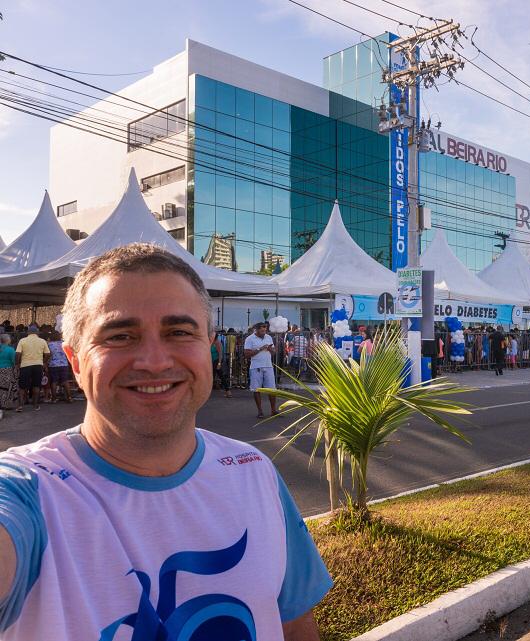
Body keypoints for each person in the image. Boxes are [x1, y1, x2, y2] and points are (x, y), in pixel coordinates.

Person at [0, 244, 330, 640]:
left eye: (178, 332)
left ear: (208, 347)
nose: (154, 361)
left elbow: (293, 627)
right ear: (74, 360)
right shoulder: (30, 491)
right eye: (120, 335)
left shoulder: (253, 471)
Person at [244, 322, 278, 418]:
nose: (264, 332)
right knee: (256, 389)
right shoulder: (249, 339)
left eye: (265, 330)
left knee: (272, 389)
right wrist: (260, 348)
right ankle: (260, 411)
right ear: (257, 330)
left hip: (268, 366)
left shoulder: (268, 337)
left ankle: (273, 410)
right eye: (262, 330)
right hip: (256, 367)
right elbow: (246, 354)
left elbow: (274, 353)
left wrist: (271, 349)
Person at [14, 324, 50, 412]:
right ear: (37, 333)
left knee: (22, 387)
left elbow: (18, 354)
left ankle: (20, 406)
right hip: (38, 365)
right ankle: (35, 405)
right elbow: (48, 354)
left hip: (25, 365)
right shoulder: (42, 341)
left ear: (28, 332)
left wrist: (17, 364)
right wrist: (44, 362)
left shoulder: (22, 340)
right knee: (36, 386)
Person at [47, 331, 73, 403]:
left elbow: (48, 354)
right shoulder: (63, 343)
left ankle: (54, 398)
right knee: (65, 381)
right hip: (64, 364)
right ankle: (69, 397)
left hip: (53, 364)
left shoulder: (49, 344)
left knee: (54, 381)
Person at [0, 334, 16, 410]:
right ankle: (5, 404)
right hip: (7, 370)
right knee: (6, 388)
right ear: (7, 340)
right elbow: (14, 362)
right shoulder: (10, 349)